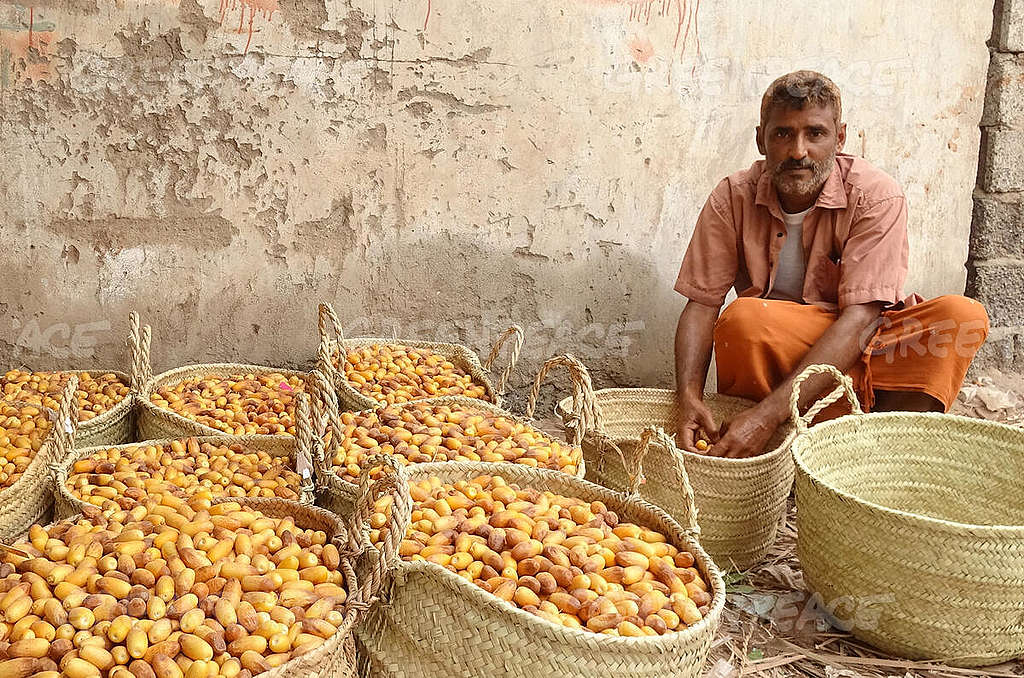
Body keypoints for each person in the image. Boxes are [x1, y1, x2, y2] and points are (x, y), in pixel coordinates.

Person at [673, 70, 989, 458]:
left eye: (815, 134)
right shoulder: (732, 196)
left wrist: (767, 416)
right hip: (779, 345)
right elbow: (702, 304)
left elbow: (862, 318)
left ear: (840, 138)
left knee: (963, 316)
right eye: (783, 134)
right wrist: (687, 396)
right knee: (744, 321)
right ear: (761, 139)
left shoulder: (875, 195)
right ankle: (777, 451)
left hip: (863, 340)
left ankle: (879, 448)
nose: (798, 151)